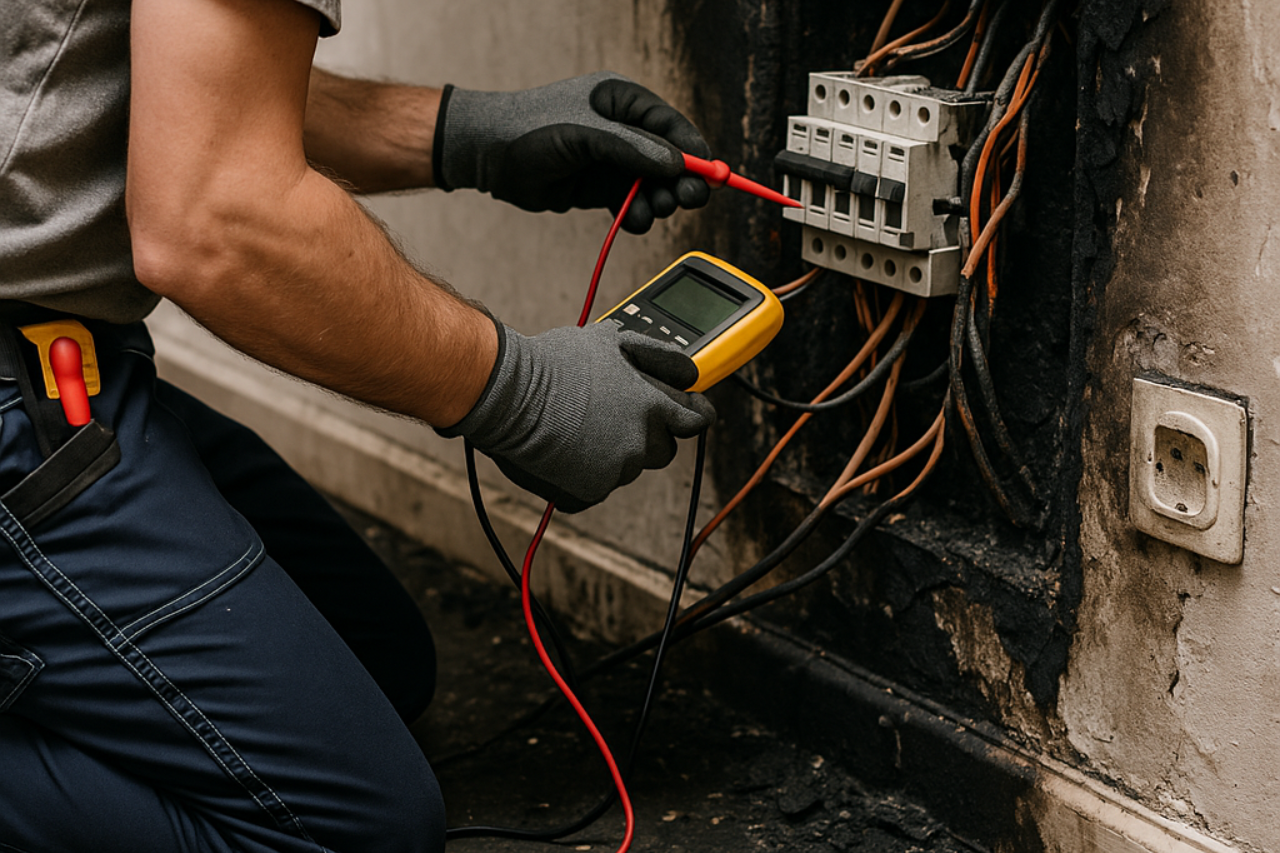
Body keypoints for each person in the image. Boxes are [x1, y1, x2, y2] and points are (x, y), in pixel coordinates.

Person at [0, 0, 716, 849]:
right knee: (347, 828)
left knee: (380, 655)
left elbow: (189, 83)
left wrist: (467, 133)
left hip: (72, 355)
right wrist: (522, 394)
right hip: (27, 383)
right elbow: (217, 225)